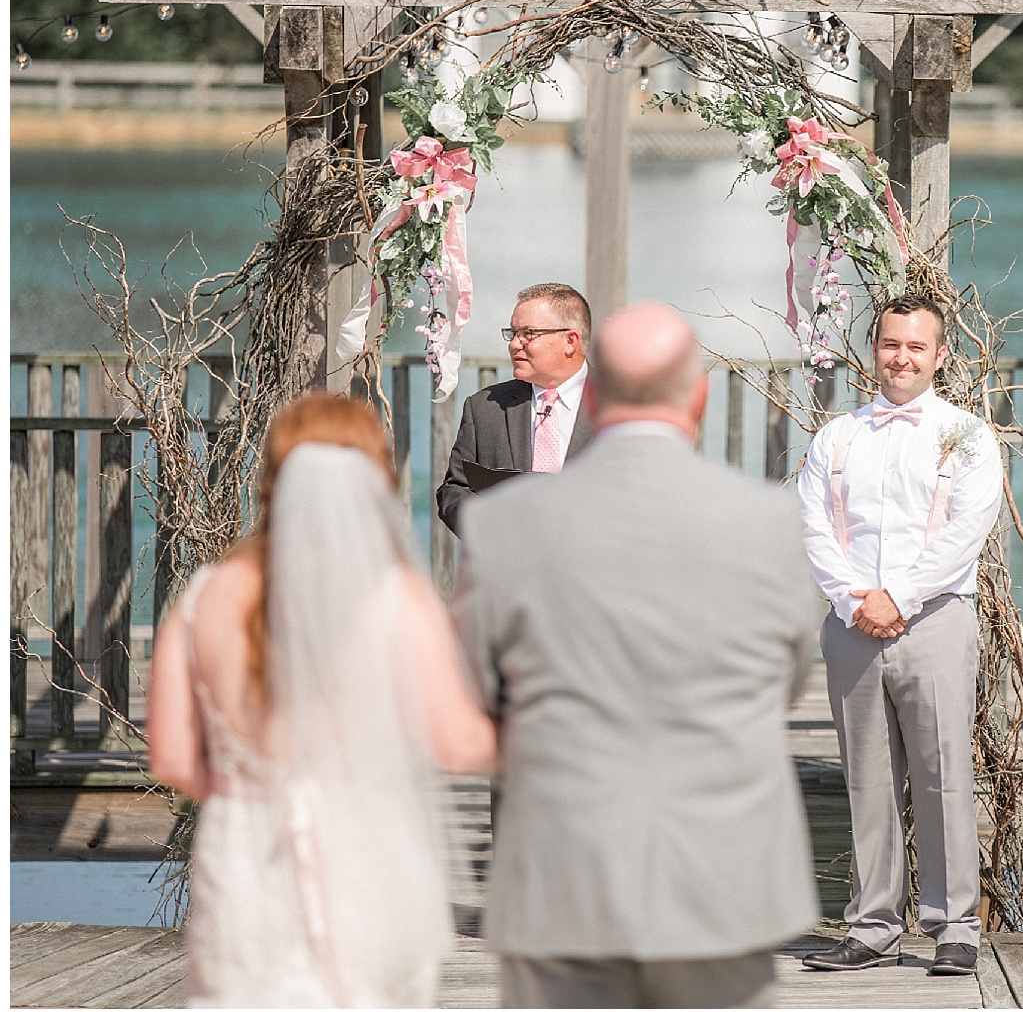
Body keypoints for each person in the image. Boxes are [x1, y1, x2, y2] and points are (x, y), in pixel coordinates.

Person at [455, 303, 821, 1008]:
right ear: (700, 394)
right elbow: (785, 679)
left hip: (563, 875)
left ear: (592, 394)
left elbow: (474, 690)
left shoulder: (501, 525)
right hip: (724, 875)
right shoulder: (769, 521)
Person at [148, 394, 496, 1007]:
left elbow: (173, 762)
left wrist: (248, 793)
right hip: (364, 855)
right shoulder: (397, 598)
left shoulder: (204, 598)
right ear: (375, 478)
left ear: (273, 477)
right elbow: (459, 745)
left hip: (244, 856)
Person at [795, 294, 1004, 977]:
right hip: (853, 621)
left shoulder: (968, 435)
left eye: (917, 346)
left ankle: (954, 926)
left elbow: (963, 532)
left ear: (940, 354)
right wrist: (854, 598)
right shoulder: (837, 436)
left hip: (935, 617)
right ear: (873, 348)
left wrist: (900, 597)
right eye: (891, 344)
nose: (902, 357)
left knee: (944, 773)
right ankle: (873, 924)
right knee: (867, 777)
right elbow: (814, 525)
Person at [437, 282, 594, 534]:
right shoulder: (486, 408)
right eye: (513, 333)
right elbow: (454, 491)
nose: (514, 344)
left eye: (528, 333)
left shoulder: (620, 406)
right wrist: (493, 530)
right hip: (508, 565)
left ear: (570, 341)